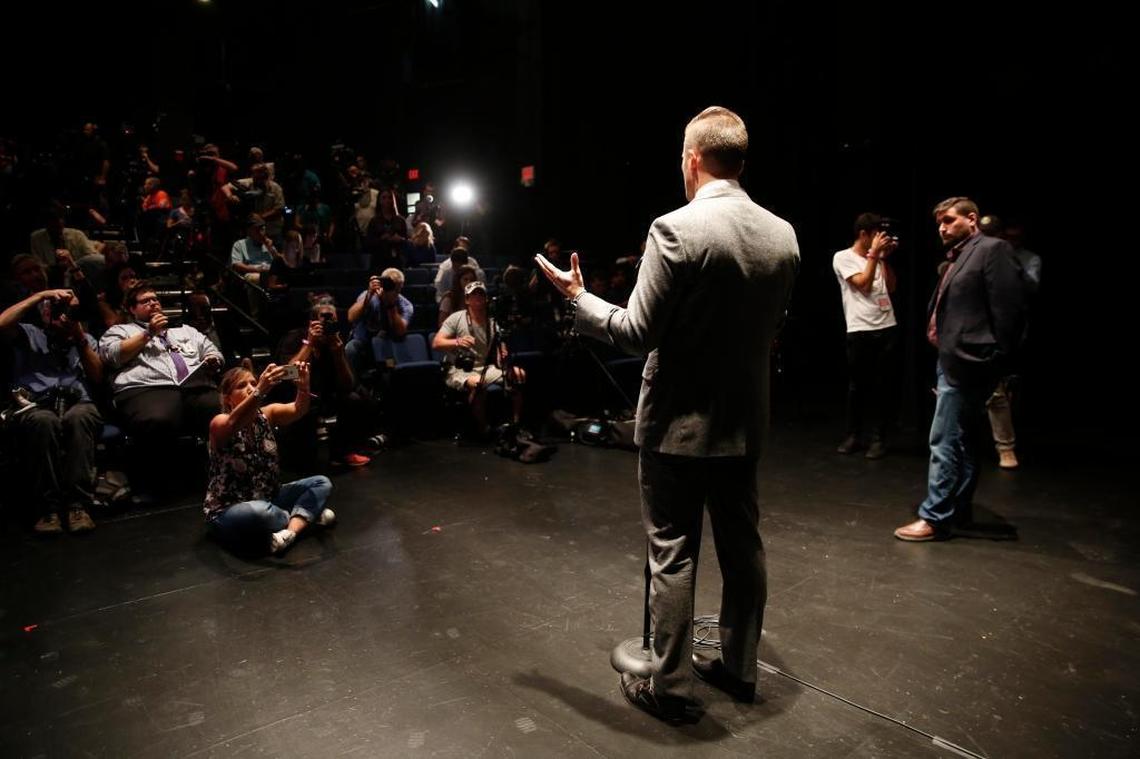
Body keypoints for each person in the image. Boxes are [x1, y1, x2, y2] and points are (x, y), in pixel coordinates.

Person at [536, 106, 799, 723]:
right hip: (745, 421)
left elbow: (635, 332)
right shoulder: (783, 233)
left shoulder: (675, 228)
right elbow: (772, 329)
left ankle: (672, 689)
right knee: (743, 548)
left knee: (673, 553)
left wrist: (580, 299)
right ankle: (738, 667)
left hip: (679, 424)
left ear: (692, 159)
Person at [893, 197, 1025, 541]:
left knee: (944, 440)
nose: (942, 227)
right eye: (939, 222)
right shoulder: (961, 255)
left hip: (970, 363)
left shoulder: (992, 250)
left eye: (949, 220)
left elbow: (1009, 311)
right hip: (953, 360)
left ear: (972, 218)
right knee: (963, 440)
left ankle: (935, 516)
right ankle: (959, 509)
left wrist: (995, 360)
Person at [204, 362, 336, 554]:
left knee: (321, 483)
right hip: (230, 509)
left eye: (253, 382)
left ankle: (290, 532)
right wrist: (260, 389)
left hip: (270, 498)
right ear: (227, 398)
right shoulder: (220, 422)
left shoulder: (267, 414)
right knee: (257, 512)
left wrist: (303, 386)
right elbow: (233, 423)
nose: (250, 388)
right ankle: (307, 518)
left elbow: (299, 409)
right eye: (242, 386)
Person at [832, 213, 901, 458]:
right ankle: (853, 435)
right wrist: (874, 256)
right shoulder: (843, 257)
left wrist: (883, 259)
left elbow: (890, 287)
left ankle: (879, 439)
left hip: (887, 327)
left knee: (883, 387)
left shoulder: (877, 258)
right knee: (857, 387)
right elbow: (863, 283)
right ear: (863, 234)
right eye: (875, 234)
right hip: (860, 329)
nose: (879, 239)